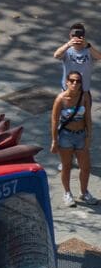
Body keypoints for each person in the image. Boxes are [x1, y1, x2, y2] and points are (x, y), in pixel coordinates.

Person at [52, 70, 95, 206]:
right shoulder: (60, 99)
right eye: (72, 80)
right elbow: (54, 120)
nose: (75, 83)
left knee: (85, 167)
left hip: (81, 135)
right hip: (66, 136)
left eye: (78, 81)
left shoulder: (85, 96)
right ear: (67, 82)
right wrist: (54, 140)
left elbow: (88, 117)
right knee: (66, 166)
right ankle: (67, 193)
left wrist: (88, 135)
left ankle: (84, 193)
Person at [55, 23, 101, 93]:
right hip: (67, 90)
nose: (76, 38)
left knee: (85, 104)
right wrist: (67, 45)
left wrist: (88, 45)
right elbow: (56, 55)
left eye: (80, 36)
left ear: (84, 36)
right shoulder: (67, 50)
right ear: (70, 36)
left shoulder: (89, 50)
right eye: (74, 36)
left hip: (84, 90)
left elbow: (99, 57)